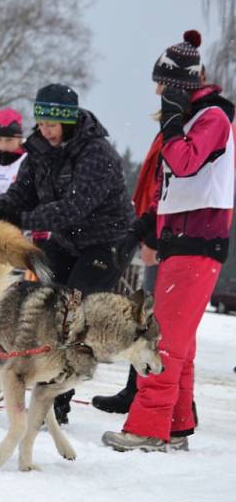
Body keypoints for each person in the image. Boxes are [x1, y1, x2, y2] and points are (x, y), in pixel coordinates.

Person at [102, 31, 234, 452]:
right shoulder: (196, 118)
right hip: (182, 239)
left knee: (163, 341)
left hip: (200, 241)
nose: (157, 92)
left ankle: (147, 427)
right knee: (182, 343)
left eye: (162, 83)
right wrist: (147, 227)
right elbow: (171, 187)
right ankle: (176, 425)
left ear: (179, 85)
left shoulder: (213, 117)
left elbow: (185, 162)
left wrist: (175, 124)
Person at [0, 84, 135, 424]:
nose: (45, 131)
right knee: (46, 308)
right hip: (65, 239)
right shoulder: (39, 151)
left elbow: (73, 208)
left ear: (69, 123)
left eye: (53, 126)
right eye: (41, 124)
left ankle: (59, 398)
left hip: (104, 242)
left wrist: (21, 218)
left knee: (74, 312)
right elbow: (22, 195)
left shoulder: (97, 154)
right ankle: (39, 379)